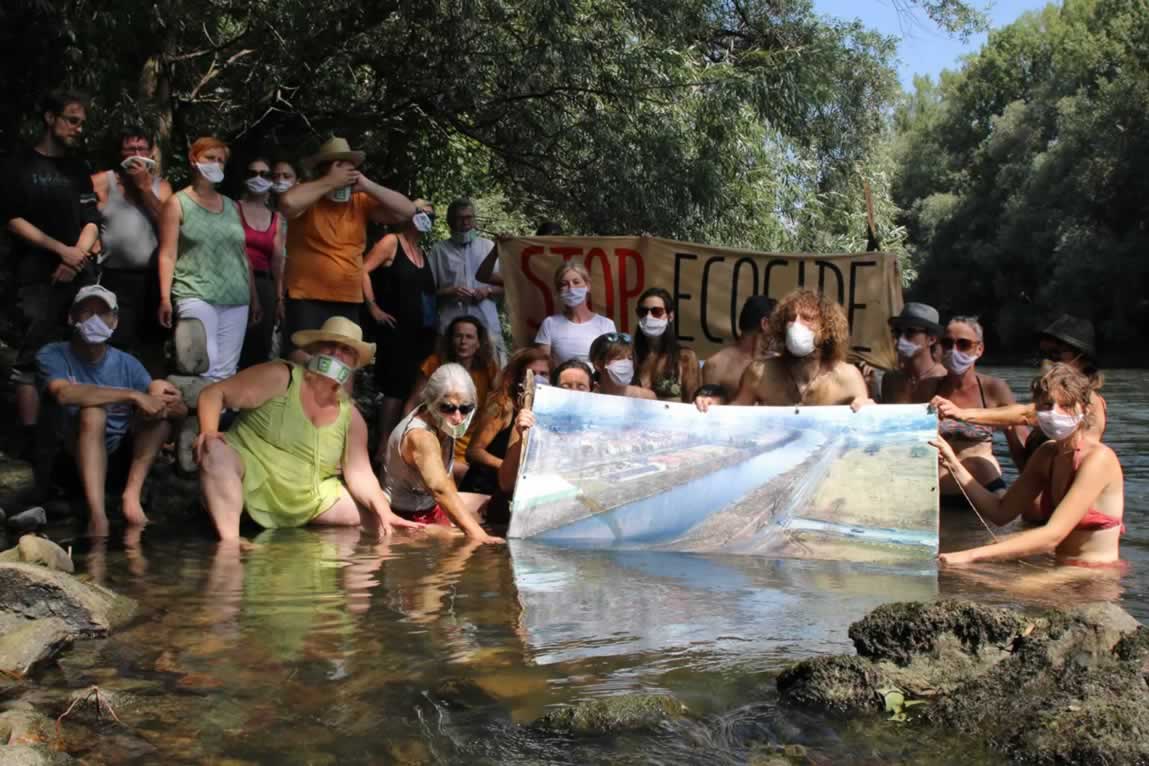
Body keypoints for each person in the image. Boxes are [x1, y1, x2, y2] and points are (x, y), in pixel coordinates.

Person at [195, 317, 422, 541]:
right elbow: (213, 394)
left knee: (376, 513)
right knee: (213, 450)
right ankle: (231, 545)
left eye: (345, 350)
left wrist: (385, 511)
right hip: (249, 476)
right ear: (315, 350)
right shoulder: (281, 376)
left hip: (307, 496)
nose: (336, 353)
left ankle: (412, 539)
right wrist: (209, 430)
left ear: (353, 364)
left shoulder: (352, 418)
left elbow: (360, 473)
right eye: (330, 345)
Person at [933, 364, 1123, 567]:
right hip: (1060, 567)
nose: (1054, 413)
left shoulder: (1099, 458)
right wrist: (953, 463)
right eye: (1047, 406)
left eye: (1065, 405)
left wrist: (971, 555)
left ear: (1084, 409)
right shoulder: (1047, 453)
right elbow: (1000, 512)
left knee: (996, 584)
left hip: (1097, 574)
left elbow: (1052, 536)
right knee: (958, 571)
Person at [37, 285, 186, 536]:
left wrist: (164, 404)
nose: (95, 320)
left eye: (103, 313)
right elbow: (64, 393)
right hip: (71, 453)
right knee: (93, 412)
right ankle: (98, 517)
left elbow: (179, 411)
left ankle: (132, 497)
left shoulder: (127, 363)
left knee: (158, 411)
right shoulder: (53, 354)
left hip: (120, 453)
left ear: (114, 322)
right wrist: (132, 395)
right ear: (72, 317)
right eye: (87, 312)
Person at [2, 90, 102, 447]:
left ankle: (70, 441)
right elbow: (12, 219)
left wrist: (76, 257)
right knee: (33, 356)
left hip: (78, 275)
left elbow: (92, 220)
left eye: (81, 123)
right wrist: (61, 251)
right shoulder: (18, 164)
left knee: (80, 353)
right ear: (49, 118)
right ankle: (29, 444)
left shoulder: (78, 169)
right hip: (34, 276)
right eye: (71, 120)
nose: (77, 128)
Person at [277, 137, 416, 360]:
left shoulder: (360, 199)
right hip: (306, 295)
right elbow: (287, 204)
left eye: (349, 169)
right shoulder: (308, 193)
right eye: (338, 167)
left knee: (344, 362)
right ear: (324, 170)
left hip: (348, 298)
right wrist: (329, 182)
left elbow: (407, 211)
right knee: (302, 360)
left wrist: (368, 185)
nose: (345, 175)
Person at [933, 314, 1106, 470]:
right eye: (1045, 353)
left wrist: (962, 413)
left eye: (1056, 353)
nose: (1048, 361)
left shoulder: (1089, 401)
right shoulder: (1048, 428)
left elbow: (1026, 414)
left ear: (1082, 359)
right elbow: (1026, 468)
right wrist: (1010, 430)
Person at [384, 363, 503, 544]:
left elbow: (447, 479)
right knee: (476, 540)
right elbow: (440, 490)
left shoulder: (444, 425)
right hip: (406, 517)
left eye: (465, 409)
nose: (457, 417)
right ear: (431, 402)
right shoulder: (421, 437)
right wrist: (478, 535)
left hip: (431, 507)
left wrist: (457, 521)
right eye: (448, 408)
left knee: (495, 508)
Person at [91, 127, 173, 370]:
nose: (136, 155)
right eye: (130, 149)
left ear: (150, 153)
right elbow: (84, 222)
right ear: (120, 153)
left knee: (152, 345)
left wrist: (145, 188)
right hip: (114, 277)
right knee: (115, 340)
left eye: (142, 149)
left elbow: (170, 226)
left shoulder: (162, 187)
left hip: (153, 279)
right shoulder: (101, 182)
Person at [918, 316, 1027, 498]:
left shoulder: (994, 389)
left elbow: (1019, 442)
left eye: (963, 344)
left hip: (985, 487)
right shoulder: (928, 387)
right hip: (935, 493)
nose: (954, 351)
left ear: (979, 349)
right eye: (947, 343)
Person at [363, 199, 438, 459]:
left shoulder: (422, 252)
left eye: (431, 215)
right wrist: (373, 308)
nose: (425, 217)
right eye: (420, 212)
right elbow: (362, 270)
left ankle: (399, 446)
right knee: (394, 390)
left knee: (411, 389)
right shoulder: (391, 242)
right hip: (395, 332)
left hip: (420, 335)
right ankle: (382, 447)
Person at [730, 289, 871, 407]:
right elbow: (732, 415)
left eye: (807, 319)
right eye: (790, 318)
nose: (796, 324)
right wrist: (712, 405)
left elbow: (869, 420)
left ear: (826, 331)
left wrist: (867, 408)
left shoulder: (848, 377)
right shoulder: (759, 373)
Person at [406, 316, 500, 480]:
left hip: (471, 449)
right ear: (450, 340)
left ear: (478, 343)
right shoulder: (434, 363)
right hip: (436, 442)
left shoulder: (488, 368)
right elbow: (413, 403)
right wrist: (405, 435)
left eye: (469, 337)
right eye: (458, 336)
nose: (463, 341)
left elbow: (500, 402)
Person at [461, 347, 550, 496]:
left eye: (543, 374)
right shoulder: (503, 405)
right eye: (531, 373)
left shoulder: (545, 411)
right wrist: (509, 467)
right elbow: (473, 451)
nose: (537, 379)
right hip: (484, 490)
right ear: (518, 377)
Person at [428, 197, 506, 361]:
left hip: (486, 324)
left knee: (492, 372)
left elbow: (508, 287)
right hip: (451, 326)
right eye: (460, 218)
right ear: (450, 221)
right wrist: (451, 291)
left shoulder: (489, 247)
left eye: (469, 218)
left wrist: (488, 290)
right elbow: (428, 292)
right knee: (450, 374)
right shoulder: (439, 250)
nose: (465, 223)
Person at [236, 156, 286, 368]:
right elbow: (239, 250)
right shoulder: (233, 207)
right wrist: (253, 295)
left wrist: (279, 298)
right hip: (237, 281)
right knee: (235, 344)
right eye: (253, 173)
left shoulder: (277, 218)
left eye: (264, 174)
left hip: (265, 284)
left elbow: (277, 260)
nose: (258, 178)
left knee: (260, 349)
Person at [534, 262, 617, 365]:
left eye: (576, 282)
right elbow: (542, 367)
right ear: (558, 290)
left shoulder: (606, 324)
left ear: (588, 286)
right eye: (564, 284)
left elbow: (612, 365)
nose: (571, 288)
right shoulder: (549, 324)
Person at [700, 295, 775, 403]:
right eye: (777, 324)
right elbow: (709, 411)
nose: (781, 331)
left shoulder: (779, 364)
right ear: (765, 324)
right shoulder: (716, 365)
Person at [632, 287, 699, 402]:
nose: (649, 317)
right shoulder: (631, 355)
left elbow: (692, 402)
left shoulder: (685, 357)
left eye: (656, 312)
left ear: (670, 316)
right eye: (643, 312)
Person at [880, 302, 946, 403]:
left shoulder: (944, 379)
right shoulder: (890, 379)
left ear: (931, 339)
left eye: (910, 332)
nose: (901, 338)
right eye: (898, 331)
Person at [588, 332, 656, 399]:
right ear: (598, 365)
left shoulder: (646, 397)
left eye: (630, 358)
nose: (626, 363)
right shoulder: (589, 398)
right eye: (619, 358)